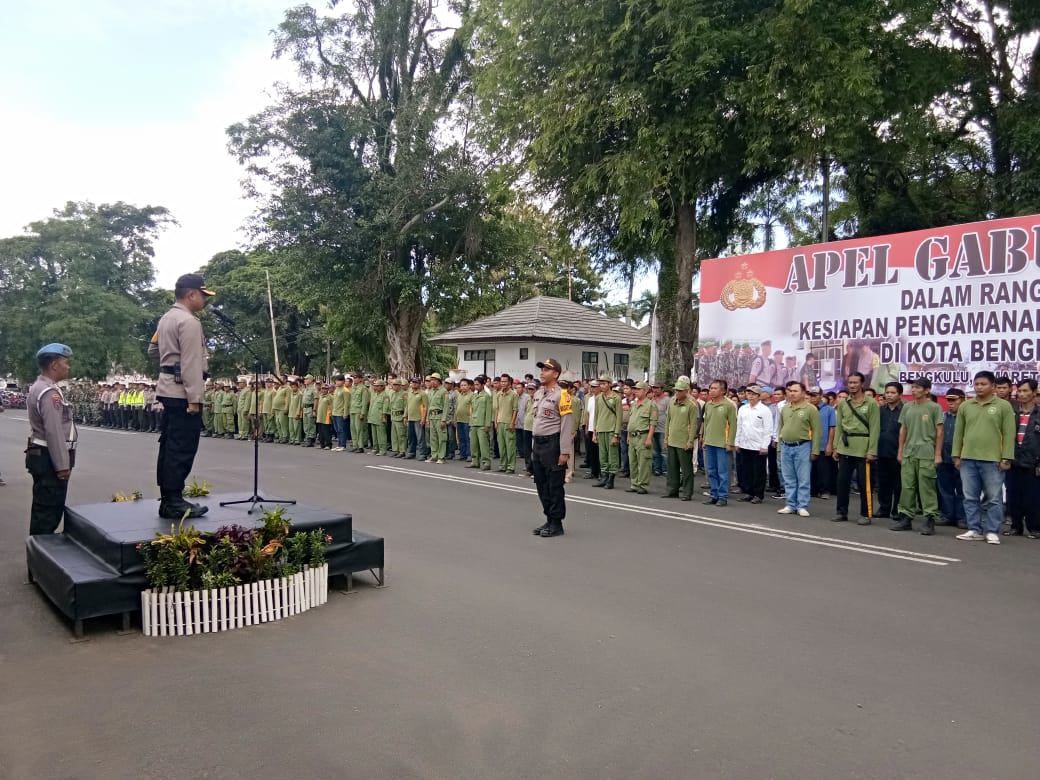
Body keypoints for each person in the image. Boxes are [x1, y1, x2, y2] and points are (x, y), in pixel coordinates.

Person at [154, 273, 214, 519]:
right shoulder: (189, 322)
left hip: (169, 387)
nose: (204, 300)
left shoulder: (167, 318)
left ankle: (169, 497)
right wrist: (194, 398)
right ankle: (174, 501)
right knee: (182, 447)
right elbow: (191, 363)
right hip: (183, 393)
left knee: (169, 446)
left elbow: (152, 350)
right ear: (191, 294)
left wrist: (169, 367)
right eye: (202, 295)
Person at [953, 371, 1017, 544]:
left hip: (993, 460)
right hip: (968, 459)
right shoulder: (966, 406)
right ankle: (974, 529)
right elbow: (958, 433)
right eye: (977, 384)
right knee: (970, 497)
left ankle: (992, 531)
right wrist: (956, 455)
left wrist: (1006, 458)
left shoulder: (1003, 406)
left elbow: (1009, 433)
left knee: (994, 498)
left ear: (993, 386)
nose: (979, 387)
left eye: (983, 384)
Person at [25, 343, 77, 534]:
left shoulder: (41, 387)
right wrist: (62, 465)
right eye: (65, 362)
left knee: (44, 511)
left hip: (43, 456)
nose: (68, 366)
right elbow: (54, 431)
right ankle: (39, 560)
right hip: (50, 459)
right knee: (47, 515)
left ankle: (38, 558)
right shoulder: (49, 393)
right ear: (54, 365)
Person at [892, 377, 944, 534]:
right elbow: (903, 429)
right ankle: (906, 517)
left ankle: (929, 518)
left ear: (927, 390)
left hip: (927, 452)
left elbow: (940, 431)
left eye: (917, 387)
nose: (913, 390)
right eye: (912, 387)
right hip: (909, 452)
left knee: (926, 487)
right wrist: (900, 450)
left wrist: (937, 454)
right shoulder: (907, 407)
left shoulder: (934, 407)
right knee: (907, 487)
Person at [530, 359, 574, 537]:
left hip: (553, 444)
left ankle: (556, 523)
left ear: (555, 374)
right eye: (541, 369)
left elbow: (566, 424)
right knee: (541, 484)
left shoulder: (562, 395)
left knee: (554, 485)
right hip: (539, 444)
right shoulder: (539, 393)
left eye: (546, 370)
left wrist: (564, 451)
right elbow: (537, 421)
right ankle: (548, 518)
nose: (542, 372)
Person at [833, 372, 879, 525]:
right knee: (842, 481)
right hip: (845, 447)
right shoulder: (843, 403)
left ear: (862, 384)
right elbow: (839, 426)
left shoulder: (871, 403)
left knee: (864, 483)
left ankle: (865, 514)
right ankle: (841, 511)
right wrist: (835, 447)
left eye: (855, 382)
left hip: (863, 447)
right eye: (850, 382)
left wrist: (872, 450)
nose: (852, 385)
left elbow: (875, 428)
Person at [776, 382, 821, 517]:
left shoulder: (810, 409)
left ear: (803, 393)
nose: (792, 393)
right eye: (790, 391)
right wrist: (779, 446)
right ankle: (790, 504)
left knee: (803, 478)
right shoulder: (785, 408)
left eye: (795, 391)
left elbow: (817, 431)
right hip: (786, 446)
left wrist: (815, 450)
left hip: (802, 446)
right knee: (788, 478)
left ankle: (802, 505)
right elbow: (781, 428)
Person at [1004, 378, 1040, 538]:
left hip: (1033, 462)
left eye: (1026, 391)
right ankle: (1015, 526)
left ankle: (1034, 528)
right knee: (1013, 495)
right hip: (1013, 460)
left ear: (1034, 393)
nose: (1022, 394)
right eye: (1019, 391)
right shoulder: (1012, 413)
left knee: (1032, 497)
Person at [701, 379, 737, 506]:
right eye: (711, 388)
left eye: (715, 388)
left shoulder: (729, 405)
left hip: (722, 443)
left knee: (723, 471)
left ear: (723, 391)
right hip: (710, 442)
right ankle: (714, 494)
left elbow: (733, 425)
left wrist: (730, 442)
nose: (712, 390)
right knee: (711, 470)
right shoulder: (708, 405)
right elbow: (706, 423)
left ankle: (723, 496)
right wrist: (704, 438)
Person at [663, 379, 699, 500]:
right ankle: (672, 490)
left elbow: (694, 425)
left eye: (679, 391)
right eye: (675, 390)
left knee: (686, 469)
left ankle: (687, 492)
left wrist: (690, 441)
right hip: (672, 439)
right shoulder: (672, 402)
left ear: (686, 391)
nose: (677, 392)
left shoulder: (691, 405)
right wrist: (666, 438)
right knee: (672, 468)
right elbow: (668, 421)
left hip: (684, 441)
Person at [735, 384, 772, 503]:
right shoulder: (743, 409)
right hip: (744, 443)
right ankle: (748, 492)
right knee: (746, 470)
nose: (750, 396)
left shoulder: (764, 410)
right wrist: (737, 442)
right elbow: (739, 427)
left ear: (759, 396)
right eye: (748, 394)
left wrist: (764, 445)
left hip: (758, 445)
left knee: (758, 471)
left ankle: (758, 494)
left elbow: (768, 430)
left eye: (753, 394)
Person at [937, 389, 967, 529]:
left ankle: (962, 518)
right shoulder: (943, 417)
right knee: (945, 489)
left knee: (962, 490)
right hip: (944, 457)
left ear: (962, 399)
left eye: (953, 399)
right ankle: (947, 515)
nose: (950, 403)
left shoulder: (967, 417)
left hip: (962, 458)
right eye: (948, 400)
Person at [875, 381, 904, 518]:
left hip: (898, 452)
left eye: (893, 393)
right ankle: (884, 508)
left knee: (898, 483)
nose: (889, 395)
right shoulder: (880, 410)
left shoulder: (905, 410)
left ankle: (897, 509)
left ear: (900, 394)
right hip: (882, 451)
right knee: (883, 482)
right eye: (887, 392)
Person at [625, 381, 658, 494]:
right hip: (633, 435)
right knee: (632, 461)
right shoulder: (634, 404)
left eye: (638, 389)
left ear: (645, 391)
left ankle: (643, 485)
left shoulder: (651, 404)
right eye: (635, 389)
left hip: (643, 435)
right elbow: (631, 420)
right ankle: (634, 483)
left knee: (644, 462)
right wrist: (629, 436)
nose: (636, 391)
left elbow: (653, 423)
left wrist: (649, 438)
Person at [592, 376, 622, 489]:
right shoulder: (598, 398)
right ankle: (604, 477)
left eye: (604, 383)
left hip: (611, 430)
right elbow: (596, 415)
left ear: (609, 384)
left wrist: (616, 434)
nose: (602, 386)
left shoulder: (616, 398)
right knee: (602, 456)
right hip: (601, 429)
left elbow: (619, 417)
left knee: (612, 456)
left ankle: (611, 479)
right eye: (601, 384)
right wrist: (595, 432)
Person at [469, 375, 493, 470]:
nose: (476, 386)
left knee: (483, 445)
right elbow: (472, 410)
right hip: (473, 422)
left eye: (477, 384)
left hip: (482, 423)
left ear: (483, 385)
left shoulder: (486, 396)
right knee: (473, 444)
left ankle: (486, 462)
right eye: (474, 384)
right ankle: (475, 461)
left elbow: (488, 411)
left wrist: (487, 424)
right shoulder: (474, 395)